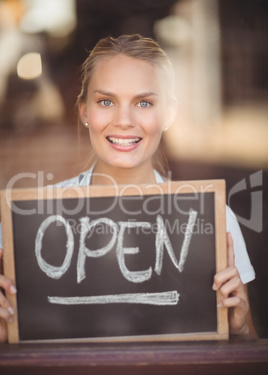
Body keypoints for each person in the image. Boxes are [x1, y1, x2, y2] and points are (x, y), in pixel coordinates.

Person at [0, 34, 257, 342]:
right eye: (106, 101)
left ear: (168, 114)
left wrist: (240, 327)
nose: (124, 120)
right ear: (83, 111)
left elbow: (251, 365)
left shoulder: (216, 220)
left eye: (144, 102)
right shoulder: (24, 225)